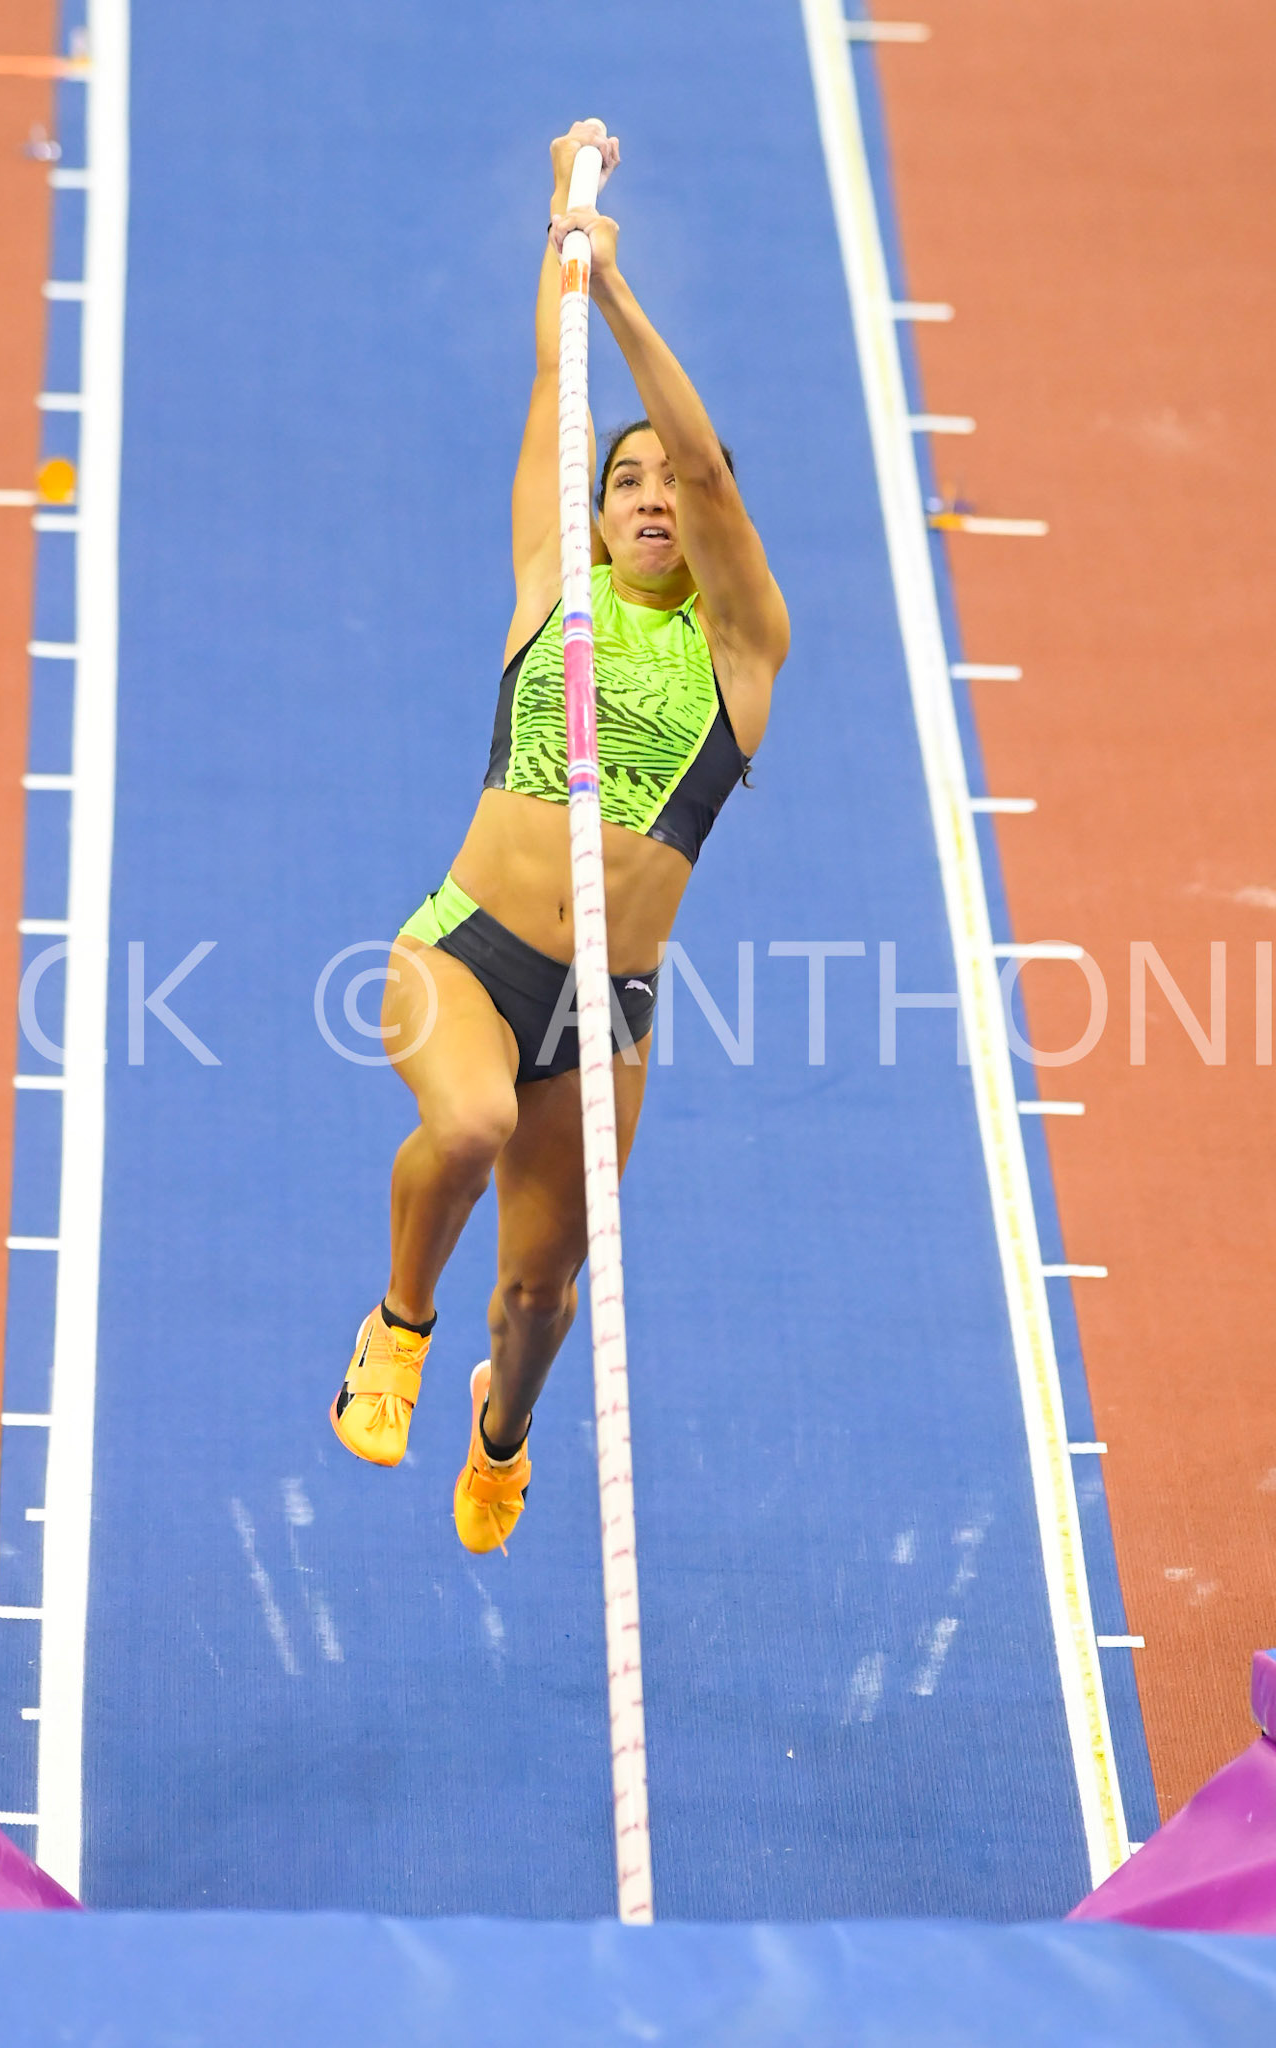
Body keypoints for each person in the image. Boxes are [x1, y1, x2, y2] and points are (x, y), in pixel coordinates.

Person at [329, 118, 789, 1553]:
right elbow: (553, 380)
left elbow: (710, 473)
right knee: (460, 1125)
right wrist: (561, 214)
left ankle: (500, 1429)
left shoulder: (741, 650)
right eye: (624, 481)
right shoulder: (552, 592)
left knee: (540, 1301)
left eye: (667, 483)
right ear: (592, 516)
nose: (650, 496)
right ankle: (397, 1326)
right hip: (463, 951)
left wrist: (625, 298)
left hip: (606, 1009)